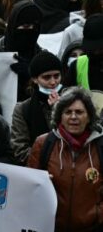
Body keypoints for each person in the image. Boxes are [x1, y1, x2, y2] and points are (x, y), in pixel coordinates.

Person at [27, 88, 103, 232]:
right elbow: (28, 188)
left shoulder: (100, 145)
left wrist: (98, 215)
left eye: (79, 112)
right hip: (51, 227)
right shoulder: (43, 144)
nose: (73, 117)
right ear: (60, 116)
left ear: (89, 117)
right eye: (68, 112)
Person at [11, 51, 63, 166]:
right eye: (47, 77)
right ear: (35, 79)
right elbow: (20, 151)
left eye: (56, 76)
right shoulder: (23, 109)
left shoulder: (73, 101)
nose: (53, 82)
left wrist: (60, 110)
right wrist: (53, 161)